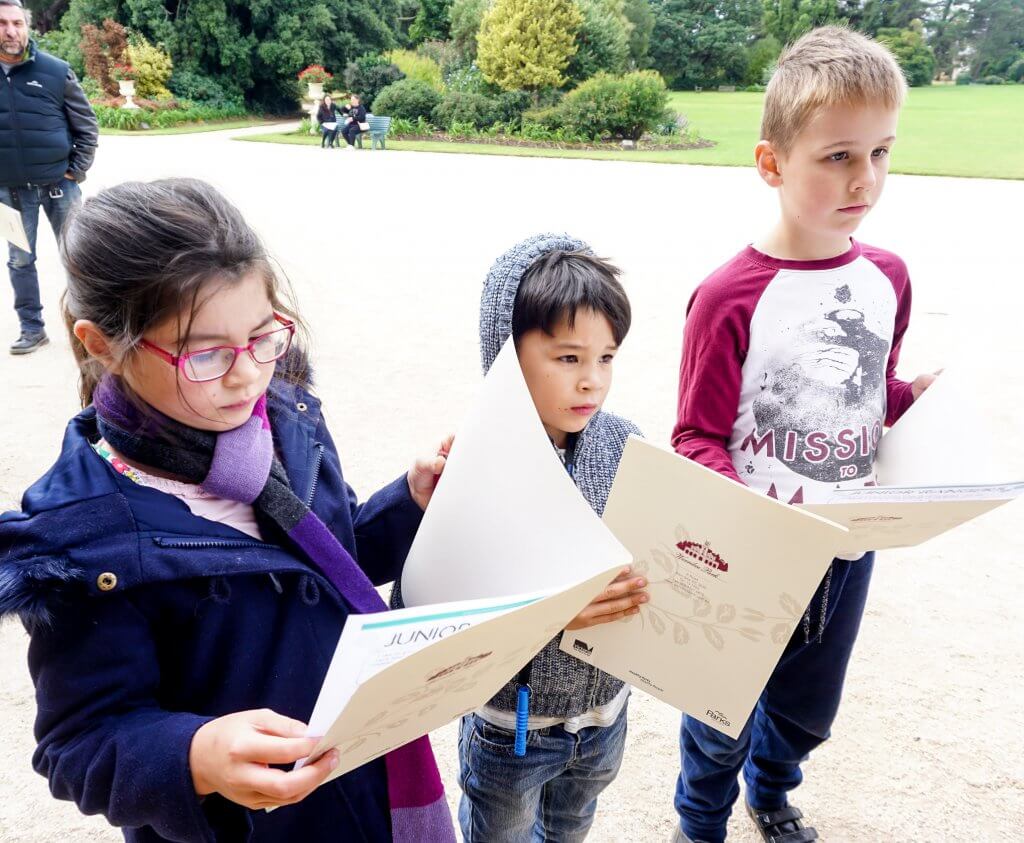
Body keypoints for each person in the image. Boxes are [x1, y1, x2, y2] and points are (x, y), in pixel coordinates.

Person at [0, 178, 456, 842]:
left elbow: (332, 559)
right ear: (102, 345)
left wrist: (408, 503)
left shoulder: (285, 417)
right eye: (207, 353)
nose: (248, 374)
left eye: (264, 335)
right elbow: (78, 742)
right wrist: (196, 754)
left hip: (363, 786)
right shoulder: (81, 539)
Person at [668, 27, 938, 843]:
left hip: (848, 544)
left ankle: (775, 785)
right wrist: (746, 512)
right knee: (723, 705)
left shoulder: (888, 277)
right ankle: (699, 820)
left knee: (811, 702)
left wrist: (908, 400)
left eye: (882, 152)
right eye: (839, 156)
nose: (867, 178)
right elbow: (694, 436)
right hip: (754, 547)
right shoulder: (730, 296)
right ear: (772, 163)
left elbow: (870, 391)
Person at [456, 234, 650, 841]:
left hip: (602, 715)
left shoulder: (625, 443)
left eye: (607, 359)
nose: (592, 382)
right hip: (511, 725)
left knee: (570, 828)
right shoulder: (472, 465)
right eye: (568, 359)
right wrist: (552, 605)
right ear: (506, 357)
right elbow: (428, 610)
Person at [0, 0, 97, 355]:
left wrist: (78, 169)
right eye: (2, 23)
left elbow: (86, 125)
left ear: (26, 27)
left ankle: (89, 325)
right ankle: (32, 328)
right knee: (19, 260)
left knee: (78, 255)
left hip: (61, 187)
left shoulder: (56, 71)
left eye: (16, 23)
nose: (11, 31)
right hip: (7, 193)